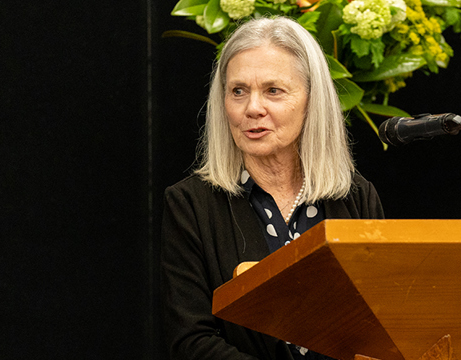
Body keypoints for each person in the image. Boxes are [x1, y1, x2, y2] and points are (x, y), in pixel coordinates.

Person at [161, 16, 384, 360]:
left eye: (273, 91)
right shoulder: (190, 204)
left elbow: (381, 324)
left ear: (311, 99)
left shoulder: (356, 197)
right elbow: (191, 341)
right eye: (238, 91)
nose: (252, 108)